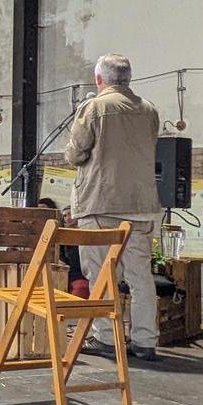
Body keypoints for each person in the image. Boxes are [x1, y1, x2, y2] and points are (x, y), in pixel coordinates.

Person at [66, 53, 162, 361]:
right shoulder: (149, 110)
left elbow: (76, 154)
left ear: (99, 79)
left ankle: (106, 338)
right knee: (140, 276)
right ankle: (146, 341)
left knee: (102, 274)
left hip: (101, 203)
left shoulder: (94, 107)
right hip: (141, 205)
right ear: (128, 78)